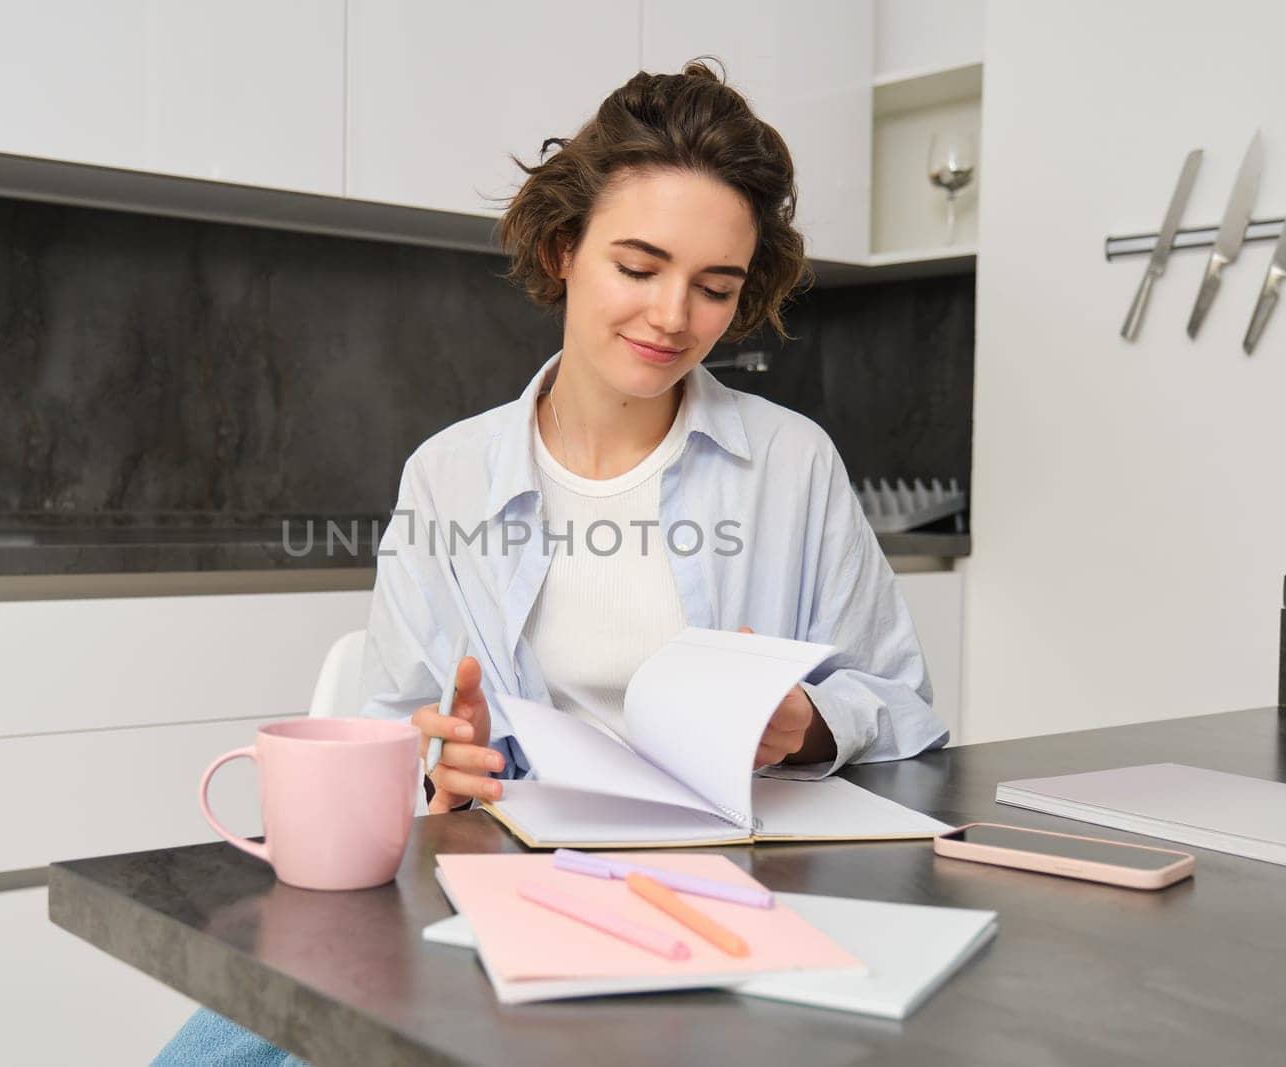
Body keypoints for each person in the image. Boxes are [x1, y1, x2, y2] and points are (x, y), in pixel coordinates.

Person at [153, 57, 945, 1066]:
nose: (671, 316)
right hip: (505, 884)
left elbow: (907, 708)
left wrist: (808, 723)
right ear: (565, 247)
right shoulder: (448, 474)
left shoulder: (790, 464)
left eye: (714, 287)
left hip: (723, 899)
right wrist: (441, 762)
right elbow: (399, 730)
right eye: (638, 265)